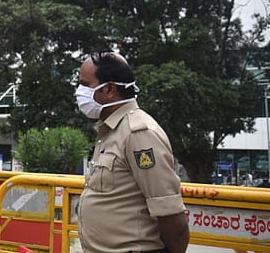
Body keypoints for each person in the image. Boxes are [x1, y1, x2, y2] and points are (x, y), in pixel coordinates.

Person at [75, 51, 189, 253]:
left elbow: (171, 215)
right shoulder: (110, 130)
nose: (79, 92)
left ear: (109, 89)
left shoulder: (138, 133)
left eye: (85, 84)